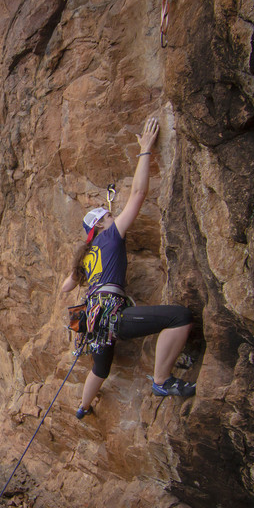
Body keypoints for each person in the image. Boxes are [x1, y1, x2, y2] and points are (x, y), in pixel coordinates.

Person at [61, 116, 195, 420]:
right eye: (109, 215)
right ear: (102, 225)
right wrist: (145, 150)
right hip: (113, 316)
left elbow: (66, 287)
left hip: (95, 322)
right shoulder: (110, 236)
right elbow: (137, 195)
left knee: (100, 367)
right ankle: (161, 381)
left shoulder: (86, 257)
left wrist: (78, 269)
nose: (114, 217)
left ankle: (82, 408)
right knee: (180, 317)